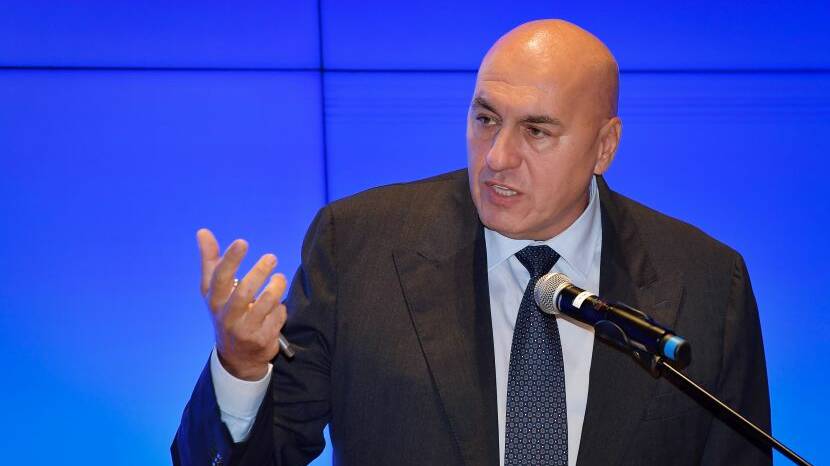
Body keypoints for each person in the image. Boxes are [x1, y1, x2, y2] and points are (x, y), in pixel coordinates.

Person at [172, 19, 771, 465]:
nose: (497, 158)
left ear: (604, 146)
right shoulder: (357, 249)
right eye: (485, 119)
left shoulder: (705, 283)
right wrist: (241, 368)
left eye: (536, 131)